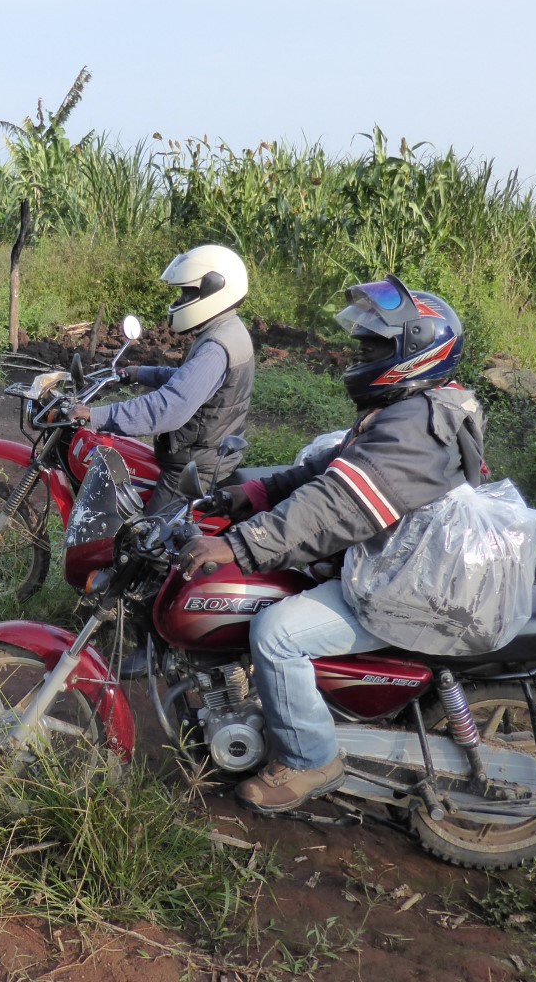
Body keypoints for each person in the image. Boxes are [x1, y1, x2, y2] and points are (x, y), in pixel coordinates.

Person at [177, 275, 485, 815]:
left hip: (403, 588)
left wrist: (242, 546)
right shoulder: (414, 408)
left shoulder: (417, 426)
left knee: (275, 633)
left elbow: (338, 505)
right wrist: (256, 491)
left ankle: (311, 760)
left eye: (373, 345)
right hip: (400, 564)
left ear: (413, 354)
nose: (361, 352)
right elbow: (335, 468)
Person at [70, 244, 254, 517]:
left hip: (192, 468)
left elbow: (169, 407)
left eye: (188, 293)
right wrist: (139, 373)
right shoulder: (225, 331)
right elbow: (189, 382)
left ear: (214, 289)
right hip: (201, 454)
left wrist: (95, 415)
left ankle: (153, 561)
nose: (180, 301)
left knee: (147, 547)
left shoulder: (217, 346)